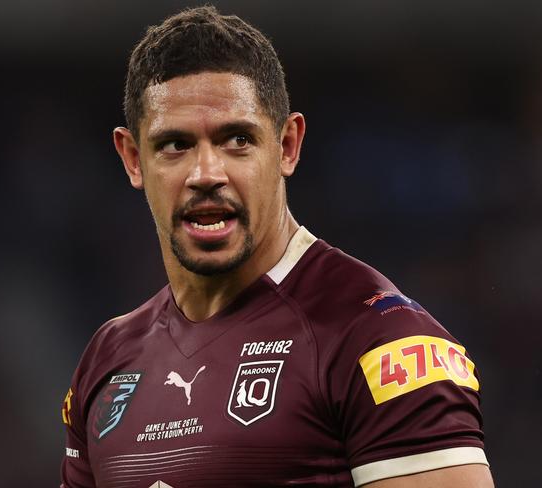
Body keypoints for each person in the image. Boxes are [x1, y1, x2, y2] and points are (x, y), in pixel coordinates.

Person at [60, 6, 493, 487]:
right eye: (175, 145)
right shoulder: (108, 359)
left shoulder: (381, 341)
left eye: (237, 139)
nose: (206, 174)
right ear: (133, 159)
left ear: (287, 146)